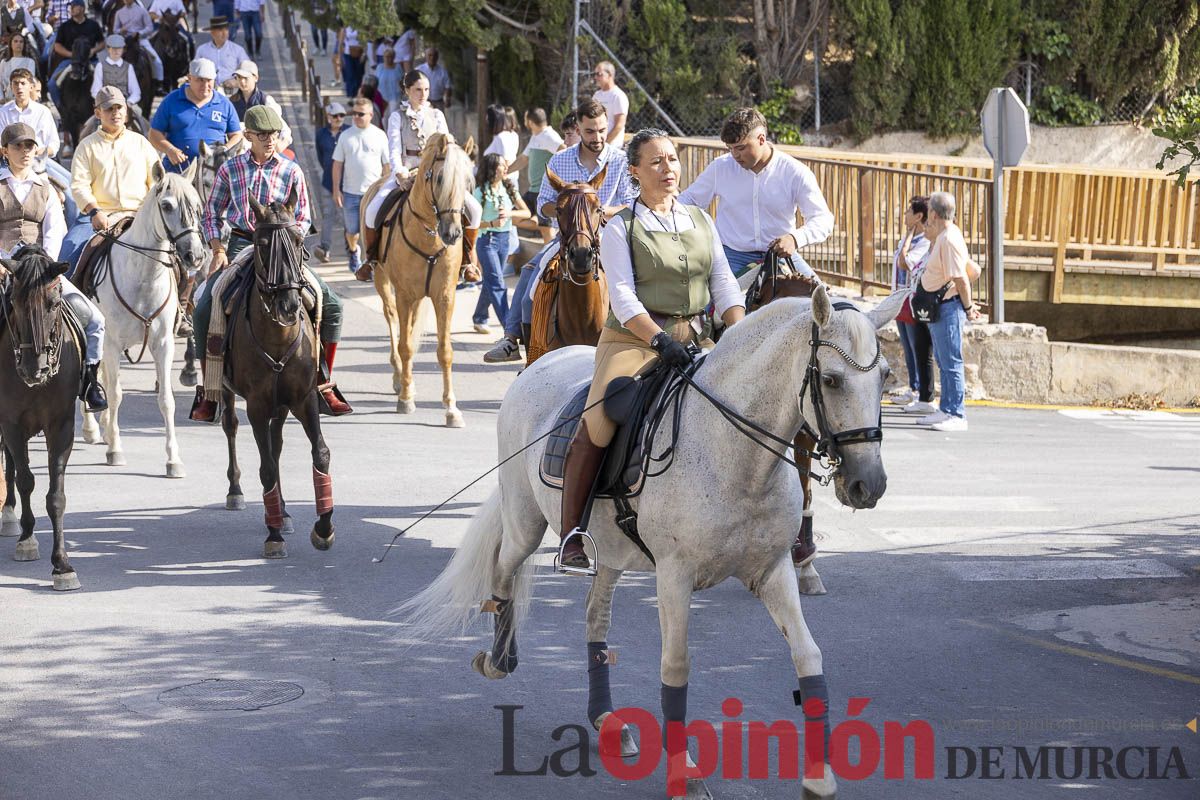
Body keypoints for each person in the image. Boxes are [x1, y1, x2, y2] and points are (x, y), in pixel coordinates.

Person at [554, 129, 745, 575]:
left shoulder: (701, 220)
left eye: (673, 160)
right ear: (635, 172)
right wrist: (658, 340)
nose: (668, 169)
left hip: (696, 337)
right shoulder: (621, 226)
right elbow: (621, 295)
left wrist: (738, 333)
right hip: (634, 340)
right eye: (656, 162)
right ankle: (572, 536)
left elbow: (723, 282)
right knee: (600, 418)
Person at [190, 104, 352, 421]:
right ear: (248, 135)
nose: (270, 140)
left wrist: (288, 238)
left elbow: (304, 216)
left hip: (283, 247)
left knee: (331, 304)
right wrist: (217, 248)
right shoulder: (230, 169)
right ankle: (209, 391)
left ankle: (322, 382)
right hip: (242, 243)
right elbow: (211, 214)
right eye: (263, 135)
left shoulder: (292, 170)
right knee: (205, 307)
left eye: (274, 135)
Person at [483, 100, 633, 364]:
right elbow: (542, 204)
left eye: (601, 130)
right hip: (567, 237)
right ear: (579, 127)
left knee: (640, 283)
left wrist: (596, 208)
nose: (597, 137)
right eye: (589, 131)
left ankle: (643, 350)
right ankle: (513, 338)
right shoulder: (560, 160)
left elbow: (631, 203)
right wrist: (567, 207)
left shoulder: (620, 160)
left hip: (611, 236)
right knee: (531, 273)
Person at [0, 122, 107, 410]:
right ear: (4, 151)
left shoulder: (44, 186)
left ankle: (89, 382)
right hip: (4, 267)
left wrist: (43, 266)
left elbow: (55, 229)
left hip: (39, 269)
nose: (25, 151)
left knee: (95, 320)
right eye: (18, 146)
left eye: (30, 146)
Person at [678, 107, 833, 279]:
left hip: (780, 257)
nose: (735, 155)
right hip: (731, 256)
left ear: (761, 139)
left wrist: (795, 239)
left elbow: (823, 220)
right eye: (730, 148)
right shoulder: (720, 167)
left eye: (741, 148)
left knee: (820, 300)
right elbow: (690, 199)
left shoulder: (795, 172)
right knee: (707, 303)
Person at [358, 69, 482, 283]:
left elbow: (448, 147)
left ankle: (467, 262)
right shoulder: (397, 117)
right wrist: (400, 174)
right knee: (372, 209)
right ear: (407, 91)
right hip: (406, 170)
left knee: (475, 209)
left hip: (435, 175)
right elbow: (394, 150)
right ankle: (371, 260)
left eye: (426, 89)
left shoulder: (437, 115)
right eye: (418, 90)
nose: (423, 94)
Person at [61, 85, 159, 267]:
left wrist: (149, 210)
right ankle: (66, 295)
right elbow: (79, 185)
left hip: (140, 214)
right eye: (109, 109)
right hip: (98, 216)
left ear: (126, 110)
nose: (116, 113)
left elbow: (156, 182)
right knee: (67, 256)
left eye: (119, 107)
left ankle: (184, 294)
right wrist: (94, 211)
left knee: (180, 252)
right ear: (97, 113)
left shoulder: (141, 143)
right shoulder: (86, 146)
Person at [917, 191, 981, 432]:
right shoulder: (945, 237)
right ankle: (946, 409)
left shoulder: (949, 239)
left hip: (947, 308)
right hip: (940, 307)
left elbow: (963, 277)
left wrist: (966, 305)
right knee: (944, 361)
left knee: (951, 361)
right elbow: (973, 269)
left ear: (933, 213)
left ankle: (956, 413)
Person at [148, 57, 243, 172]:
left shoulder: (224, 104)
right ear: (189, 78)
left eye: (209, 80)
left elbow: (237, 135)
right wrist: (170, 150)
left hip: (214, 172)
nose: (205, 85)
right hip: (179, 171)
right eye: (200, 80)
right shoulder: (171, 100)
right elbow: (154, 134)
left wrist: (224, 150)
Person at [471, 153, 529, 333]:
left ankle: (480, 317)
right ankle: (510, 327)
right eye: (502, 165)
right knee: (497, 282)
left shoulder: (509, 188)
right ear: (492, 169)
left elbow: (526, 212)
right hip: (486, 240)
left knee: (492, 279)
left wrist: (510, 214)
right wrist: (491, 223)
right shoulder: (479, 191)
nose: (506, 168)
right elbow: (470, 223)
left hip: (504, 240)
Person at [331, 97, 388, 275]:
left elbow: (387, 165)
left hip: (373, 193)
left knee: (371, 229)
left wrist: (386, 188)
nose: (356, 117)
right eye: (354, 114)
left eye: (360, 114)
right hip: (350, 193)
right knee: (352, 231)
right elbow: (337, 164)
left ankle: (367, 260)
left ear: (370, 115)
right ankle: (354, 251)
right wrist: (336, 190)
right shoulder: (345, 136)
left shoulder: (379, 135)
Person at [889, 195, 933, 410]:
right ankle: (913, 387)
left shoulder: (924, 242)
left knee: (918, 347)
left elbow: (905, 263)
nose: (904, 215)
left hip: (913, 301)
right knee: (907, 346)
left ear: (918, 216)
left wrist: (907, 239)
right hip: (900, 299)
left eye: (908, 212)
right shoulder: (907, 238)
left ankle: (919, 391)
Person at [509, 107, 562, 244]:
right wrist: (505, 171)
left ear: (531, 122)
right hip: (533, 191)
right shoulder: (536, 136)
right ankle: (542, 222)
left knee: (547, 235)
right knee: (513, 217)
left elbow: (563, 150)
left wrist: (556, 177)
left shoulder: (549, 136)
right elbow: (523, 159)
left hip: (544, 191)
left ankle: (553, 261)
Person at [48, 0, 103, 108]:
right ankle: (61, 109)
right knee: (52, 84)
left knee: (107, 82)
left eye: (74, 6)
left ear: (82, 8)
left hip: (91, 60)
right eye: (70, 7)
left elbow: (102, 43)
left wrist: (93, 50)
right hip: (70, 61)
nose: (71, 9)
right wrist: (71, 54)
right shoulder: (65, 26)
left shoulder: (93, 25)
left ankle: (102, 109)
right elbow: (57, 46)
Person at [228, 59, 291, 150]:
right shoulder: (230, 102)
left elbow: (284, 129)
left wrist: (281, 143)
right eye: (239, 77)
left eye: (245, 78)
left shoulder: (266, 101)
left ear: (255, 78)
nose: (242, 81)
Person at [312, 100, 344, 263]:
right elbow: (319, 155)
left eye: (341, 116)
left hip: (347, 182)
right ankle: (325, 248)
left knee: (347, 216)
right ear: (329, 117)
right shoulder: (321, 134)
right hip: (327, 182)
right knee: (328, 215)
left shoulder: (347, 132)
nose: (338, 118)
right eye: (335, 116)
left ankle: (351, 247)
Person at [113, 0, 166, 87]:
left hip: (140, 40)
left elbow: (150, 27)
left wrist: (139, 33)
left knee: (156, 60)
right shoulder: (119, 13)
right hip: (125, 41)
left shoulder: (142, 11)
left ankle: (158, 84)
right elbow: (115, 30)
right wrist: (121, 31)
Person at [193, 16, 246, 88]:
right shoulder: (202, 50)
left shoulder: (238, 50)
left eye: (226, 29)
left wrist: (236, 81)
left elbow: (247, 71)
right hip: (208, 92)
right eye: (220, 30)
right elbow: (194, 71)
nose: (224, 33)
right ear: (212, 33)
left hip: (231, 92)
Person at [89, 34, 140, 107]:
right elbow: (95, 90)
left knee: (139, 116)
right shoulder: (100, 66)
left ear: (123, 49)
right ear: (108, 49)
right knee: (93, 118)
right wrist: (103, 102)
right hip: (105, 104)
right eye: (113, 48)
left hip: (125, 103)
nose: (116, 51)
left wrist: (129, 102)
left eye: (119, 48)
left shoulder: (128, 67)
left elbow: (136, 91)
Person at [591, 61, 627, 145]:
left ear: (609, 75)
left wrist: (605, 143)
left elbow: (619, 125)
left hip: (612, 146)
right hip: (597, 144)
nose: (596, 77)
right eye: (595, 74)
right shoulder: (597, 95)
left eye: (599, 74)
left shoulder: (618, 96)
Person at [0, 32, 35, 102]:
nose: (18, 43)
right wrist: (1, 98)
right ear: (11, 44)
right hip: (6, 101)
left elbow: (31, 82)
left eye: (21, 42)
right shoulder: (4, 62)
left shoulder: (30, 62)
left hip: (24, 101)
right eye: (15, 41)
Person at [415, 46, 450, 111]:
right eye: (430, 55)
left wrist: (447, 99)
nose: (432, 58)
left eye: (434, 55)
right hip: (423, 102)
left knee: (438, 120)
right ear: (426, 56)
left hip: (438, 102)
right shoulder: (418, 70)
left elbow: (447, 86)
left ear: (437, 57)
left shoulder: (443, 72)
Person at [335, 26, 365, 99]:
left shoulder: (361, 28)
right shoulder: (345, 29)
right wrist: (340, 57)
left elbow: (364, 42)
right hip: (348, 54)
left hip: (359, 53)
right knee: (350, 74)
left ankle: (357, 94)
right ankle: (351, 95)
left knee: (358, 75)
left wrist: (364, 54)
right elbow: (341, 44)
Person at [374, 46, 400, 110]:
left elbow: (402, 81)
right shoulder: (379, 67)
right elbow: (375, 81)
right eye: (387, 57)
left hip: (395, 97)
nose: (389, 59)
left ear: (394, 57)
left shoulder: (398, 67)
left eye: (391, 57)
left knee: (393, 115)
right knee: (383, 117)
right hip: (381, 96)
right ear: (383, 57)